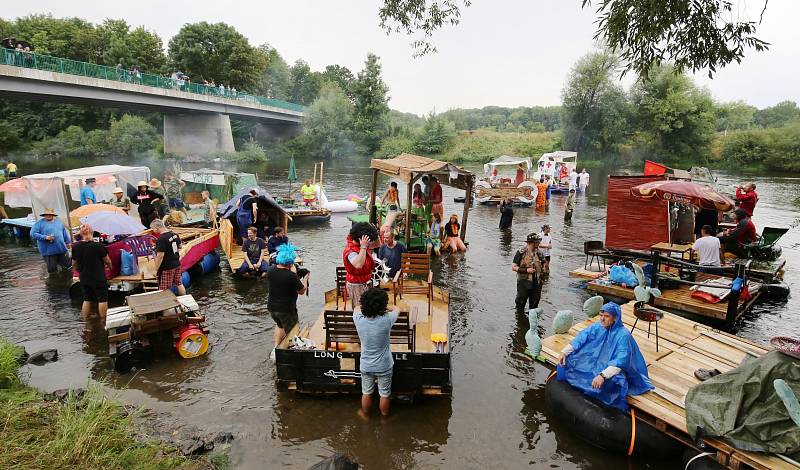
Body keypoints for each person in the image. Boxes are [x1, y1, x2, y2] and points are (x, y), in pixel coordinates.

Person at [556, 302, 654, 411]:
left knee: (616, 381)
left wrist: (603, 376)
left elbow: (621, 361)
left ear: (615, 318)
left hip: (614, 368)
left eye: (606, 316)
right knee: (568, 360)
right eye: (601, 315)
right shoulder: (598, 326)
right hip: (596, 360)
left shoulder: (623, 336)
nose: (602, 319)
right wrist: (564, 352)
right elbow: (581, 338)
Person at [354, 288, 399, 419]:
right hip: (384, 365)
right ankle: (385, 417)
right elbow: (397, 308)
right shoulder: (387, 319)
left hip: (366, 365)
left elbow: (357, 307)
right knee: (385, 393)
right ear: (382, 306)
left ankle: (365, 415)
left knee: (366, 392)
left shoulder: (358, 319)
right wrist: (385, 308)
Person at [267, 243, 308, 360]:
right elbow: (301, 291)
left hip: (272, 307)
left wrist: (293, 272)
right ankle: (290, 354)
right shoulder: (291, 276)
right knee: (293, 329)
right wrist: (305, 280)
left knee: (280, 326)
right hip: (286, 309)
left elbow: (285, 277)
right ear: (290, 261)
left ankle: (276, 349)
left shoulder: (270, 270)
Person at [71, 224, 112, 320]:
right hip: (98, 277)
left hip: (84, 277)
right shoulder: (98, 246)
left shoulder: (76, 246)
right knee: (102, 299)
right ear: (92, 232)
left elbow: (74, 263)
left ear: (81, 233)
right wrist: (109, 268)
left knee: (87, 299)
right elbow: (108, 261)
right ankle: (103, 321)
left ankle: (85, 320)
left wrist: (79, 271)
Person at [343, 223, 379, 308]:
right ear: (361, 240)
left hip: (366, 280)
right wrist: (363, 247)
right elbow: (358, 265)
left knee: (369, 306)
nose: (369, 243)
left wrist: (375, 233)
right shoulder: (350, 251)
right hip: (356, 284)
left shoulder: (363, 244)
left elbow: (377, 245)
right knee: (360, 308)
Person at [512, 233, 547, 311]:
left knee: (534, 305)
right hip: (524, 283)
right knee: (520, 304)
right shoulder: (521, 252)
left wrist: (544, 270)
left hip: (537, 283)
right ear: (531, 242)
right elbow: (513, 267)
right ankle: (520, 320)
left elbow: (544, 262)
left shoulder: (539, 252)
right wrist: (526, 270)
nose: (539, 243)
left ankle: (532, 320)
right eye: (537, 242)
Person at [30, 208, 72, 273]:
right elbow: (33, 234)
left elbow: (64, 233)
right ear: (44, 215)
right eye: (46, 214)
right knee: (52, 270)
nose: (48, 215)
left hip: (61, 249)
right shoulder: (39, 224)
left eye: (50, 214)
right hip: (48, 251)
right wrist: (45, 237)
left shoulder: (59, 222)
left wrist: (68, 242)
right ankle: (53, 281)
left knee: (68, 267)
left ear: (53, 215)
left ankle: (67, 280)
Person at [151, 220, 185, 296]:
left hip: (167, 267)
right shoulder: (175, 234)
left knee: (164, 288)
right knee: (179, 283)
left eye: (153, 229)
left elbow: (160, 256)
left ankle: (167, 303)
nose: (153, 231)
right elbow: (180, 246)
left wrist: (156, 269)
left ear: (157, 228)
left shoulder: (162, 239)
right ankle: (184, 298)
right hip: (176, 263)